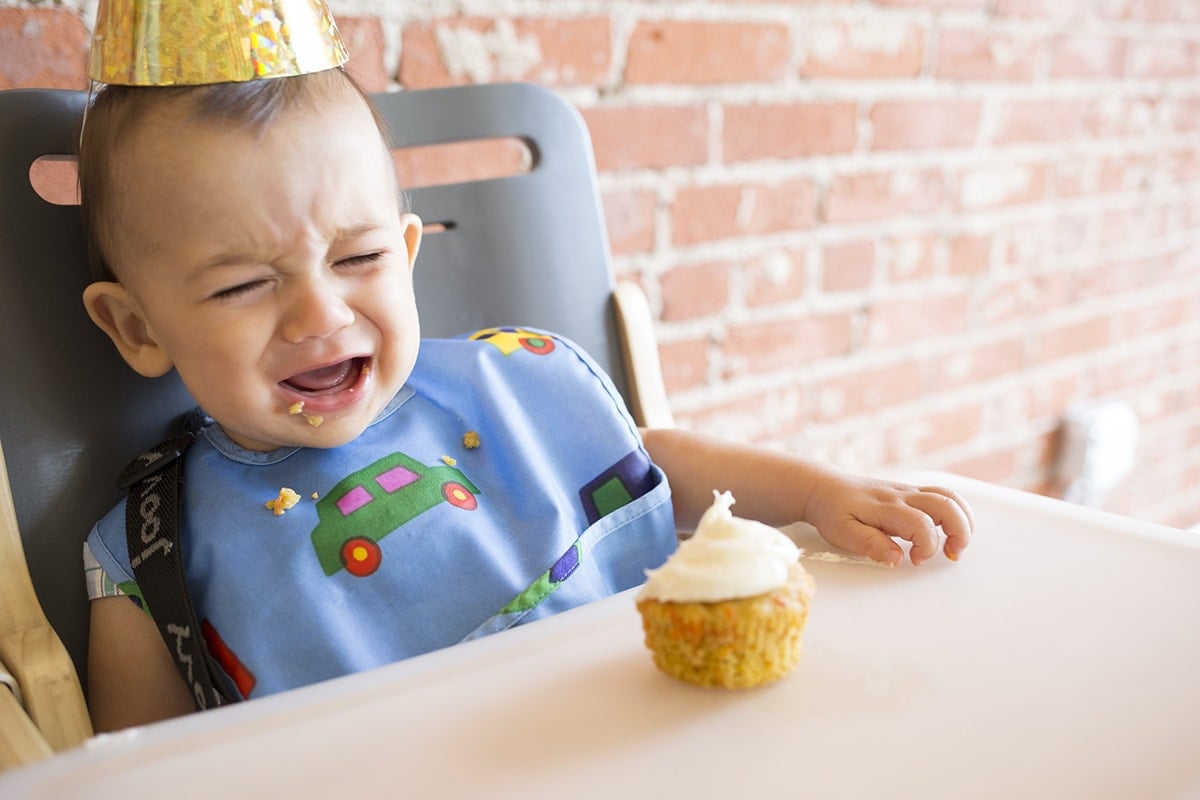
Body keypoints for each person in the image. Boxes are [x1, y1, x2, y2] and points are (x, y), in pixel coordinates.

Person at [78, 65, 972, 733]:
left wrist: (818, 495)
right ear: (136, 328)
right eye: (241, 285)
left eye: (359, 260)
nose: (321, 312)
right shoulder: (149, 558)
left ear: (409, 252)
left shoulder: (514, 384)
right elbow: (139, 767)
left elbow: (645, 461)